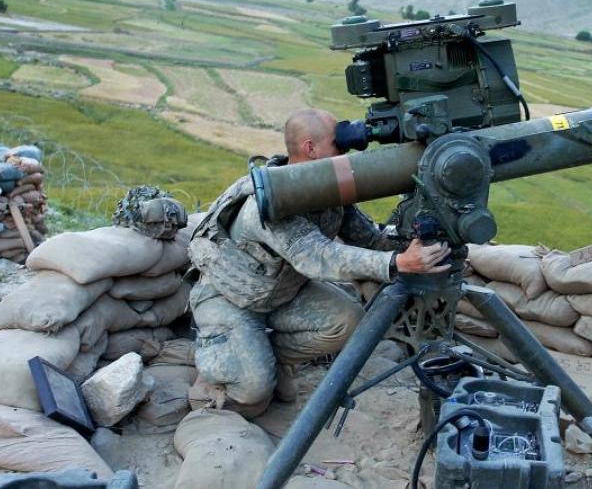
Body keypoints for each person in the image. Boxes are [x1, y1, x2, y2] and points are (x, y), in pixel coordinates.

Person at [187, 108, 450, 411]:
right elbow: (317, 255)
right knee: (254, 391)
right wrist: (396, 264)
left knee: (348, 321)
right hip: (231, 298)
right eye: (338, 142)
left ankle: (266, 355)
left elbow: (367, 237)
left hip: (283, 293)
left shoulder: (324, 189)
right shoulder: (271, 200)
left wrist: (413, 244)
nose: (346, 147)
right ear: (311, 148)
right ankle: (220, 364)